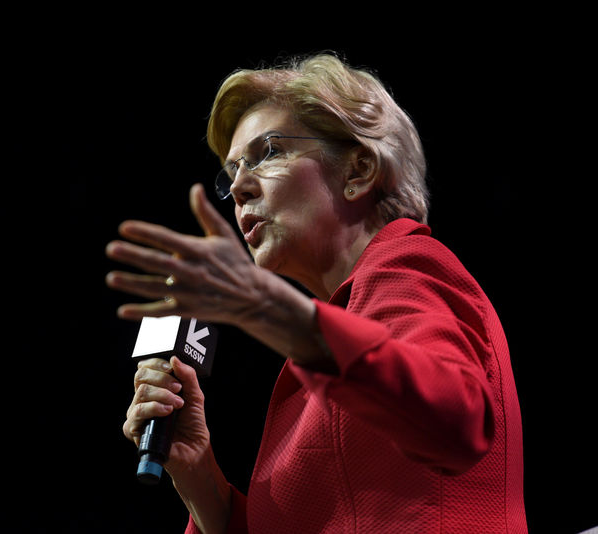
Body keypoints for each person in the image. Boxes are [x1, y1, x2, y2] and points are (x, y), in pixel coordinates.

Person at [105, 53, 526, 533]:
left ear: (358, 171)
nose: (239, 186)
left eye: (268, 152)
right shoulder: (317, 358)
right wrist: (199, 473)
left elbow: (457, 423)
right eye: (232, 169)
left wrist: (267, 307)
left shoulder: (406, 267)